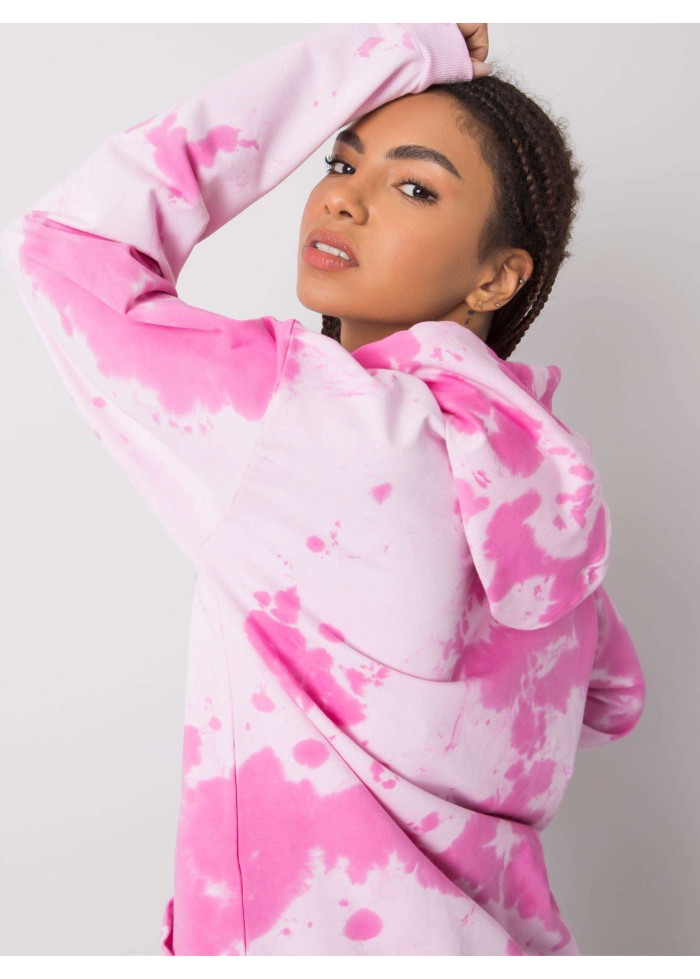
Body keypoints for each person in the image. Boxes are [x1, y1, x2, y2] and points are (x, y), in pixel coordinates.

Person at [0, 22, 646, 956]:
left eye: (415, 187)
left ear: (498, 277)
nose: (344, 197)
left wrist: (392, 51)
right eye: (341, 163)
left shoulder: (311, 422)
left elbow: (68, 245)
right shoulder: (549, 486)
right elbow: (612, 698)